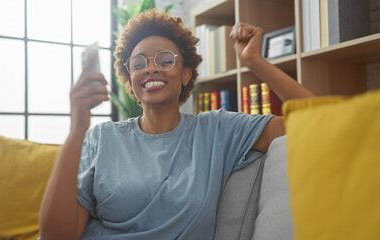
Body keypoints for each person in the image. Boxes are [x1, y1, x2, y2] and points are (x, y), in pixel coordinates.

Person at [39, 9, 315, 240]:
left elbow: (316, 120)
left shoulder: (217, 130)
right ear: (130, 79)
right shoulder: (102, 137)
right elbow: (55, 236)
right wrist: (77, 129)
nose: (151, 68)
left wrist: (255, 62)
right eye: (138, 63)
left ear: (185, 74)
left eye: (165, 60)